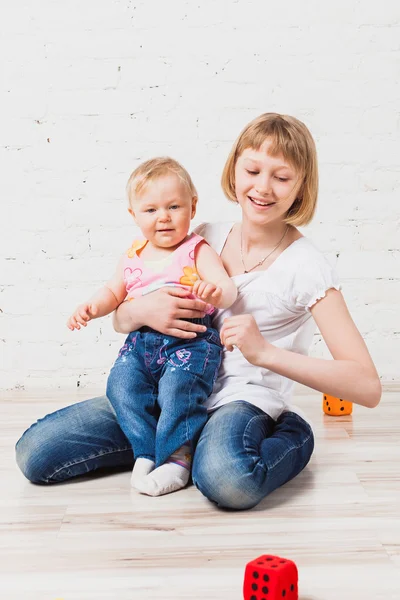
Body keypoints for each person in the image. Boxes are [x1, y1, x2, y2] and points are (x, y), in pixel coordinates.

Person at [15, 113, 381, 511]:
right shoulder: (201, 235)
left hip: (240, 402)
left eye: (281, 177)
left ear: (301, 187)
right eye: (252, 170)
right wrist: (141, 310)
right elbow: (121, 318)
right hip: (171, 392)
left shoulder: (307, 266)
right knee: (36, 453)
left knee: (228, 481)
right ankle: (172, 445)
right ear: (234, 169)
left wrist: (266, 354)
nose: (262, 187)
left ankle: (290, 433)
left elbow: (367, 386)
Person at [66, 157, 237, 496]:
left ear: (193, 206)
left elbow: (227, 288)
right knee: (121, 385)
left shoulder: (196, 249)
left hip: (190, 342)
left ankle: (177, 459)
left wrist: (214, 291)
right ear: (133, 215)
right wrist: (92, 307)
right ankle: (145, 449)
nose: (164, 217)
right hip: (140, 344)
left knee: (179, 390)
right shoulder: (133, 255)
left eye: (174, 206)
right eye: (151, 210)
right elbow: (113, 293)